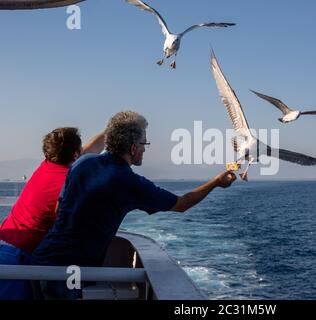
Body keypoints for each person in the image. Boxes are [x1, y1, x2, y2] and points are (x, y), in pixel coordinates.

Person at [29, 111, 236, 299]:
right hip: (68, 273)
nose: (145, 149)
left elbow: (59, 209)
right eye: (145, 144)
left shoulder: (84, 163)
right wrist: (216, 182)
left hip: (39, 263)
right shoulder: (129, 182)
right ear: (133, 147)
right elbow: (182, 204)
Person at [0, 127, 105, 300]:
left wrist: (112, 131)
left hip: (4, 246)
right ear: (75, 155)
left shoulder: (47, 165)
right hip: (16, 262)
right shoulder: (69, 184)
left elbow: (87, 150)